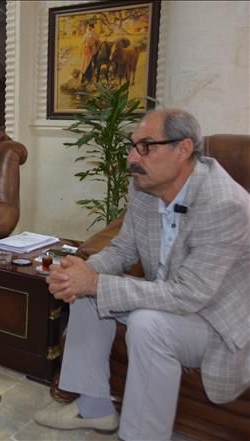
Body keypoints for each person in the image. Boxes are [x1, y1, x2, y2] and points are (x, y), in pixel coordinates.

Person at [33, 109, 250, 441]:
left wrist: (96, 283)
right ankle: (95, 409)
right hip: (168, 296)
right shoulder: (145, 187)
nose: (133, 158)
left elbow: (189, 295)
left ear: (183, 148)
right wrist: (80, 274)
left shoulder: (224, 204)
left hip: (214, 318)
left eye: (146, 146)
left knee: (148, 325)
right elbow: (123, 250)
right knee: (86, 296)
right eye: (132, 146)